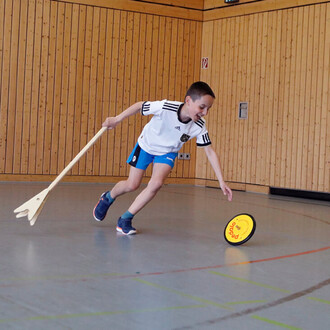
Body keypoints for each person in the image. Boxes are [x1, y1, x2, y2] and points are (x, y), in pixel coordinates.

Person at [93, 81, 233, 235]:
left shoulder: (199, 125)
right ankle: (107, 198)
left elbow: (209, 151)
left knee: (156, 184)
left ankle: (125, 219)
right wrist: (117, 119)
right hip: (146, 145)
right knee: (132, 185)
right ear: (188, 101)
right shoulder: (166, 107)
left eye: (208, 108)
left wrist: (221, 180)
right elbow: (140, 105)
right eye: (202, 107)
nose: (205, 112)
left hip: (167, 152)